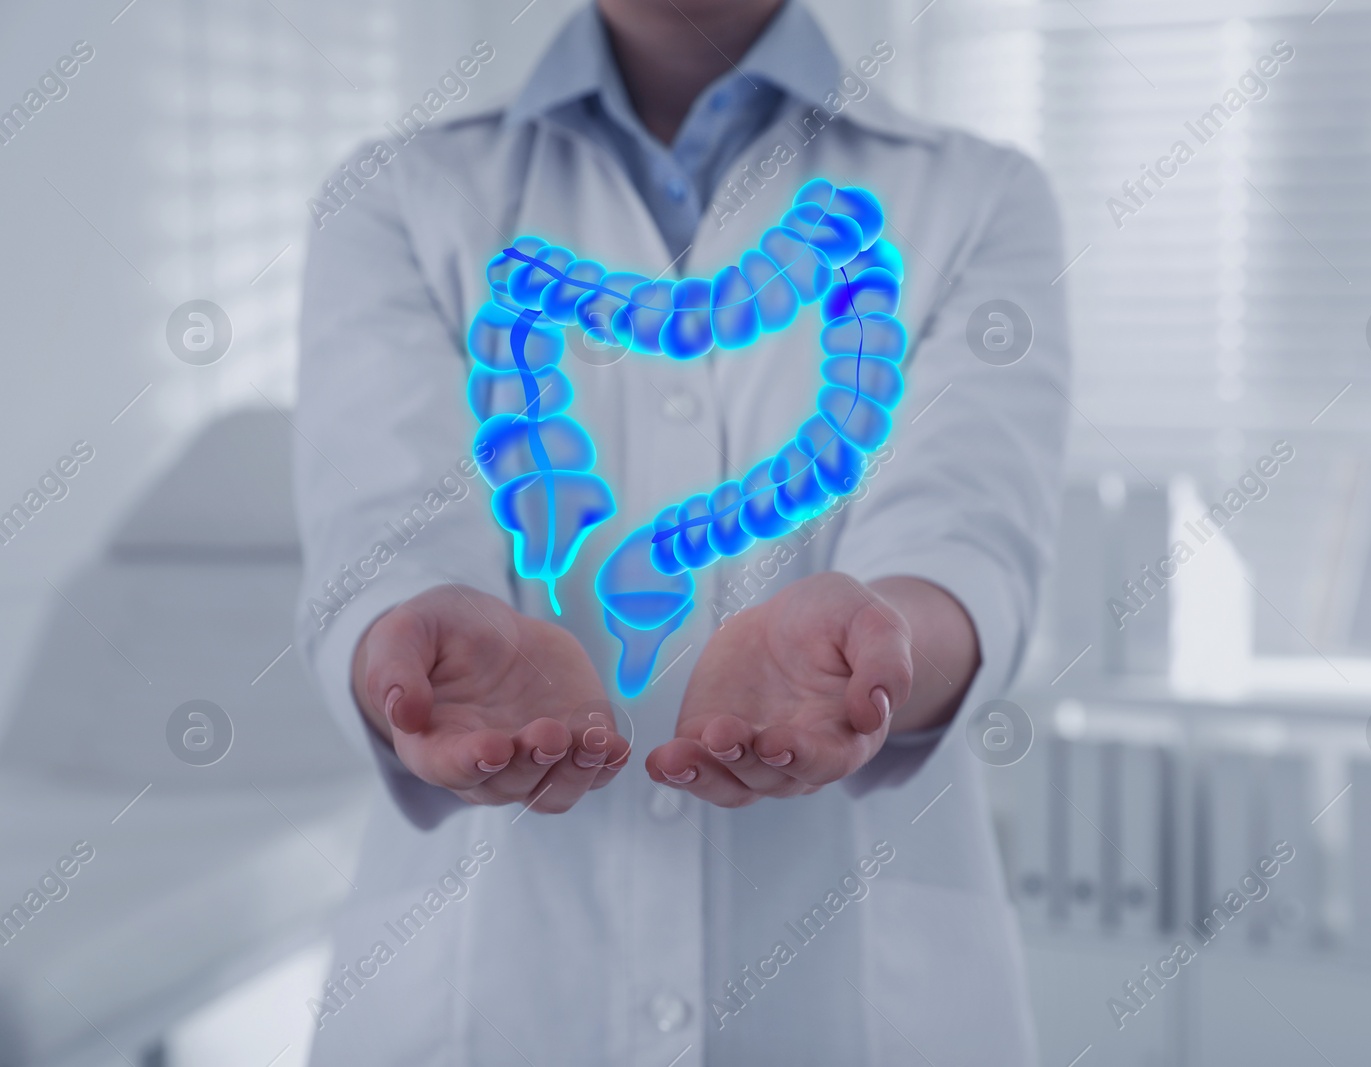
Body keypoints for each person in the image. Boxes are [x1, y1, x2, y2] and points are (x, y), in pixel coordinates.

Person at [293, 0, 1066, 1062]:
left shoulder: (979, 195)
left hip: (859, 1001)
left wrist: (881, 638)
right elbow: (382, 531)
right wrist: (408, 634)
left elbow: (969, 530)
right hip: (486, 994)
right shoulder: (392, 196)